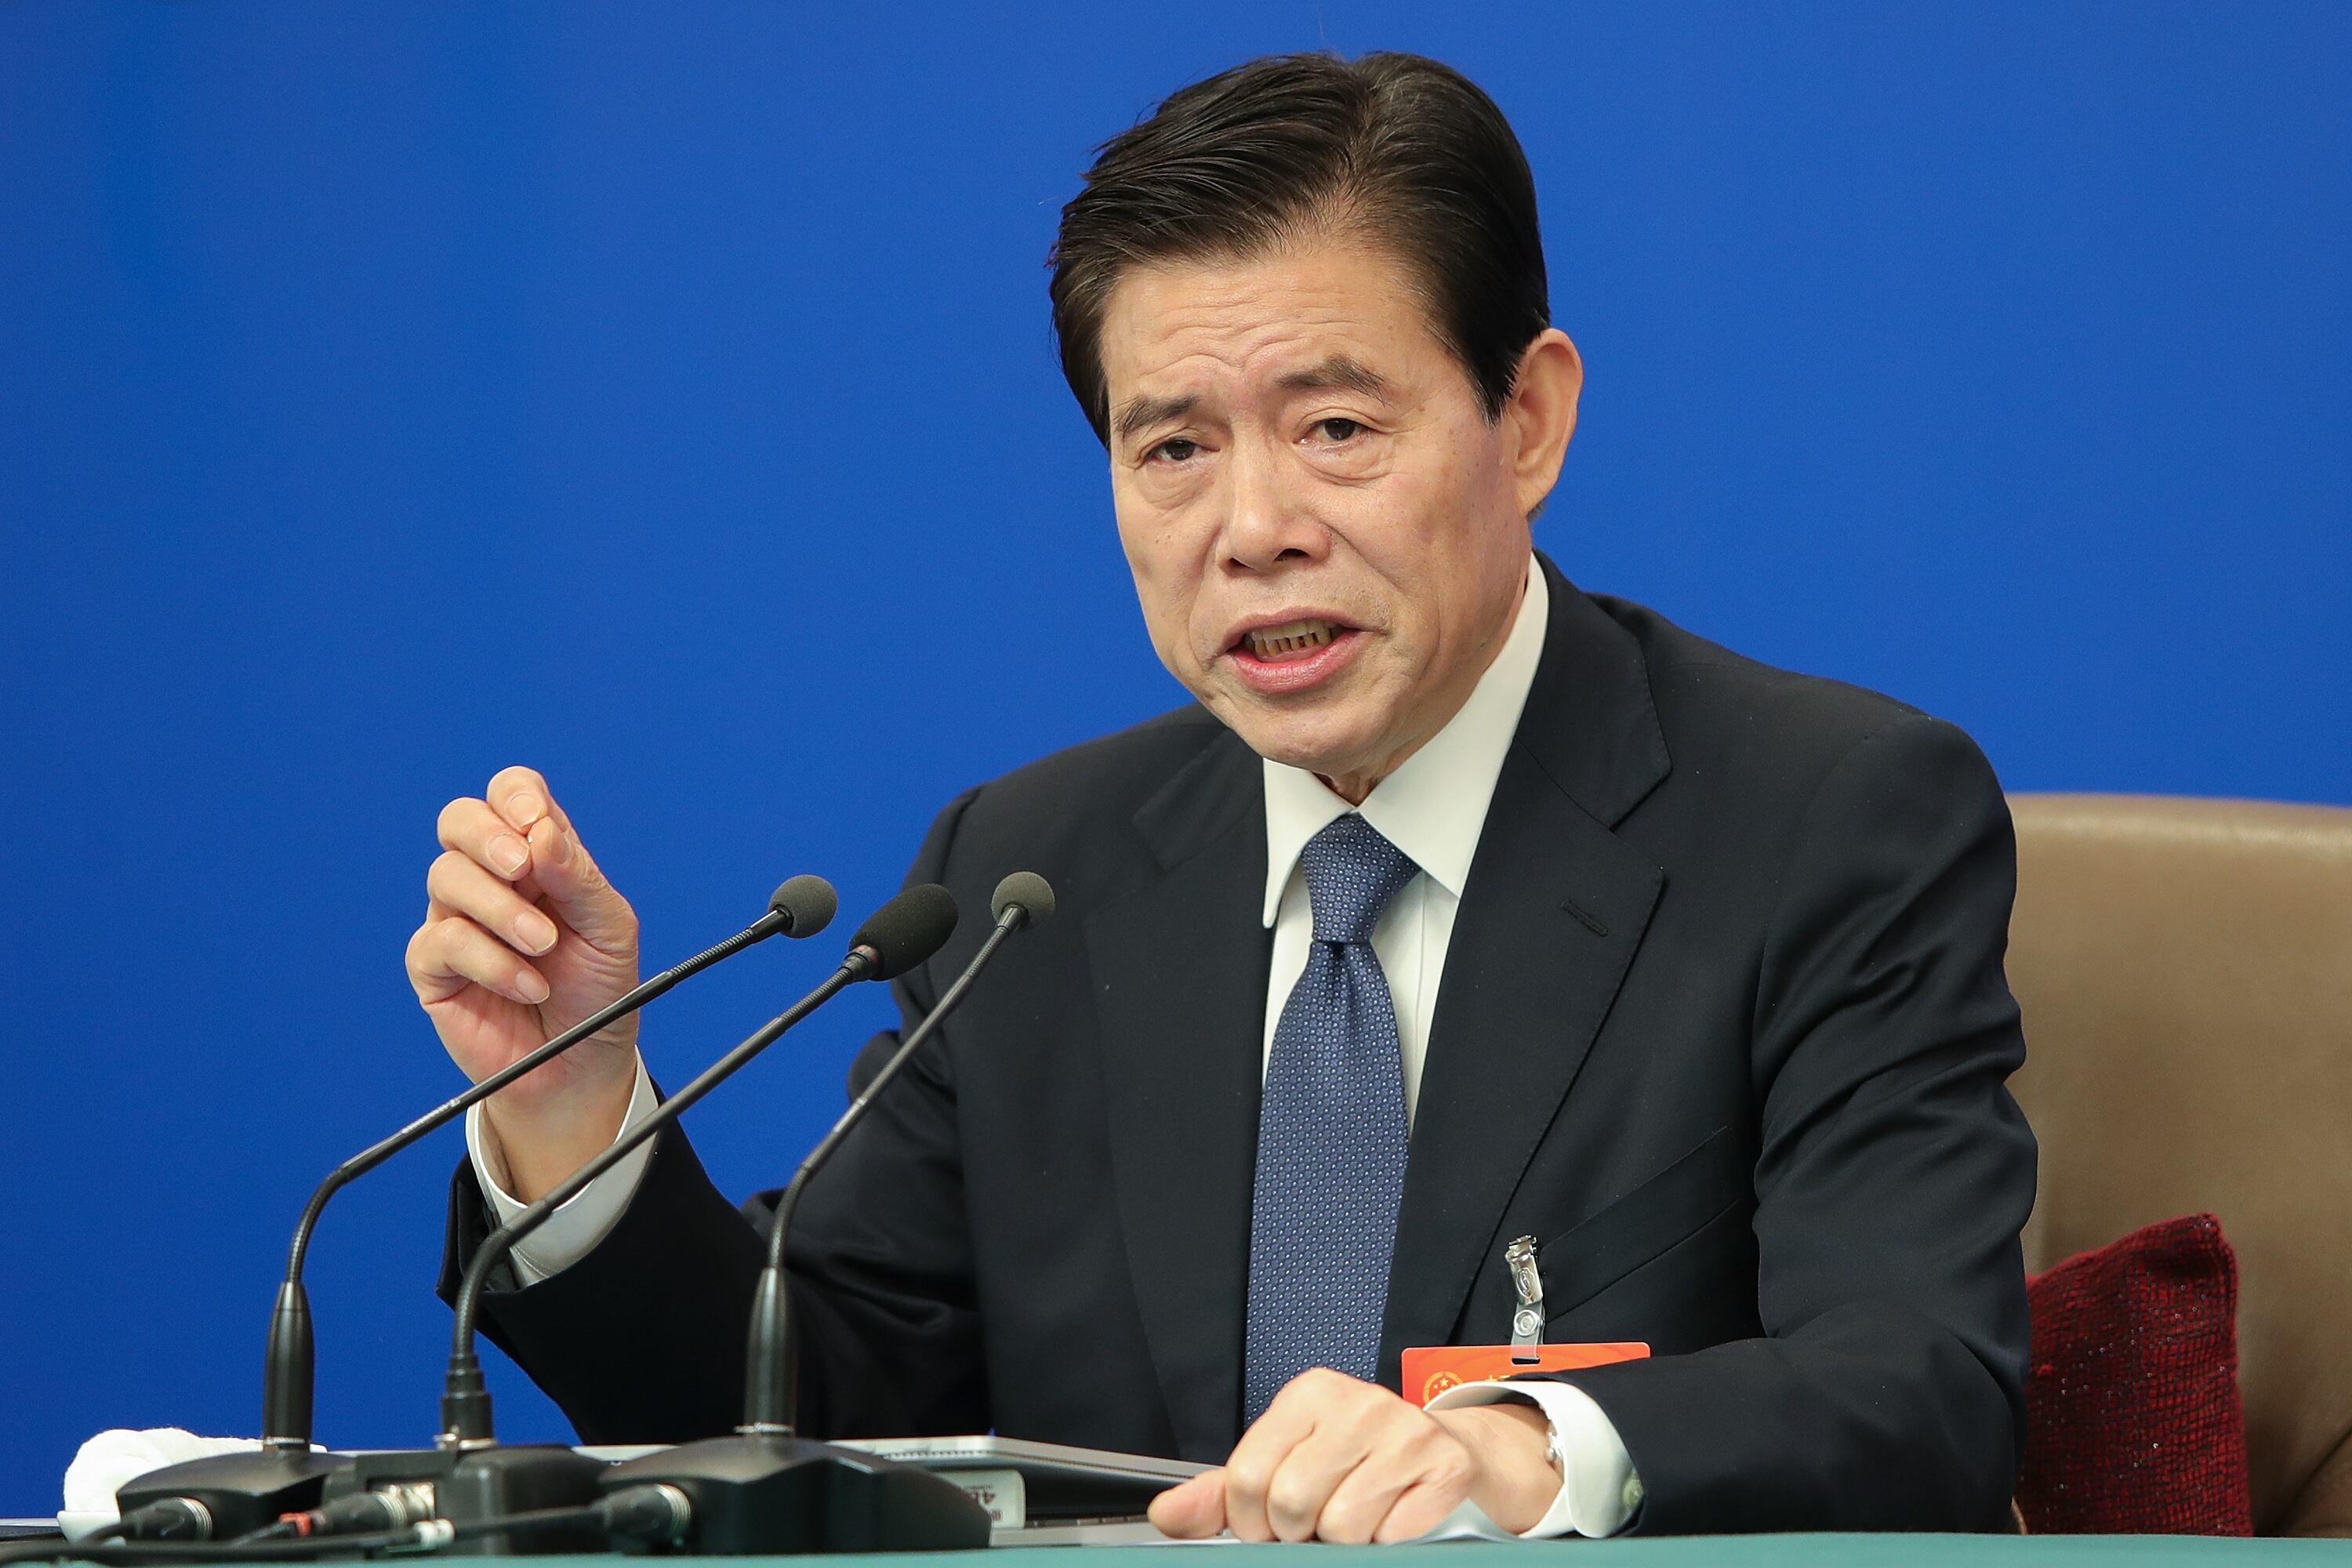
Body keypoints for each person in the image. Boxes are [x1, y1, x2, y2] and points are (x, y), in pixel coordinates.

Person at [409, 52, 2035, 1541]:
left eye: (1335, 426)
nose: (1251, 527)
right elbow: (811, 1413)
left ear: (1525, 418)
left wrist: (1520, 1448)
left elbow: (1924, 1379)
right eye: (1172, 448)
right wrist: (574, 1115)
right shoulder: (1028, 877)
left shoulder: (1827, 820)